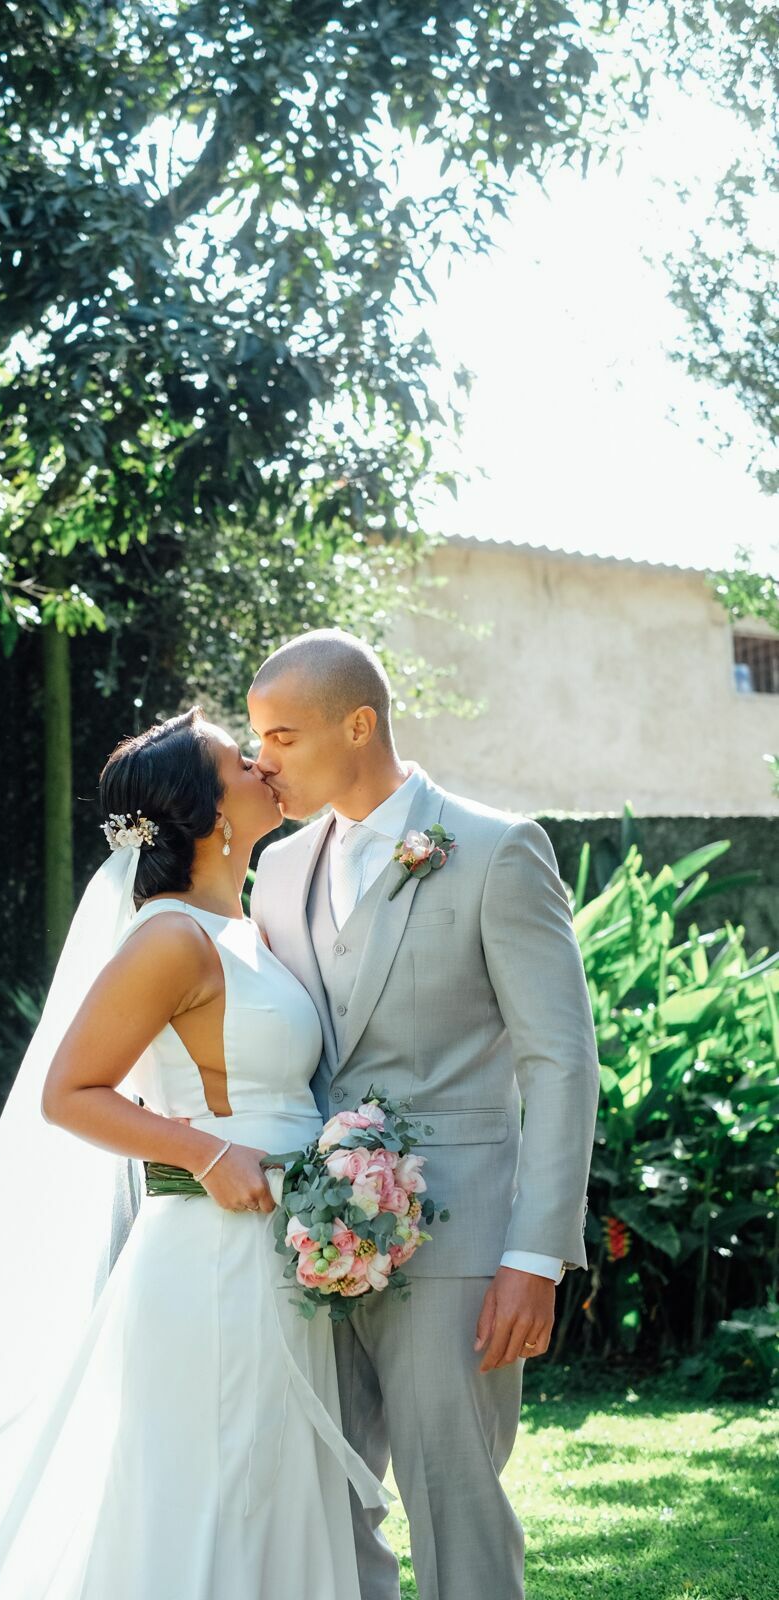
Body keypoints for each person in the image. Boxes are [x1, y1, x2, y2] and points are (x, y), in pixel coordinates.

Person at [0, 704, 388, 1600]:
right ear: (209, 810)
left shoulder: (247, 929)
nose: (263, 767)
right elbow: (68, 1090)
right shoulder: (169, 936)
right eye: (239, 761)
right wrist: (206, 1153)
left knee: (269, 1492)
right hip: (211, 1262)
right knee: (215, 1496)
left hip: (278, 1255)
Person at [246, 628, 601, 1600]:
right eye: (254, 739)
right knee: (324, 1498)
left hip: (459, 1240)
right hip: (309, 1242)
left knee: (452, 1499)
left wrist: (535, 1254)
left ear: (356, 724)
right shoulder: (275, 869)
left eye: (281, 736)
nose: (259, 760)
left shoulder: (493, 849)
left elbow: (559, 1059)